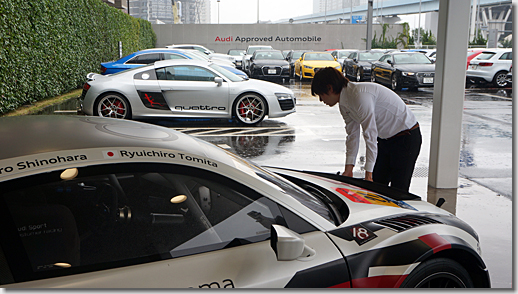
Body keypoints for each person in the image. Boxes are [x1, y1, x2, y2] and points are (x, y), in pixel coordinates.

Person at [311, 67, 421, 192]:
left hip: (406, 137)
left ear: (330, 88)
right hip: (385, 140)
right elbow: (352, 135)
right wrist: (348, 170)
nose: (321, 100)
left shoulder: (359, 96)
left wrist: (368, 174)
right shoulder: (343, 103)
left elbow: (370, 134)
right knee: (377, 187)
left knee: (398, 190)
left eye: (321, 95)